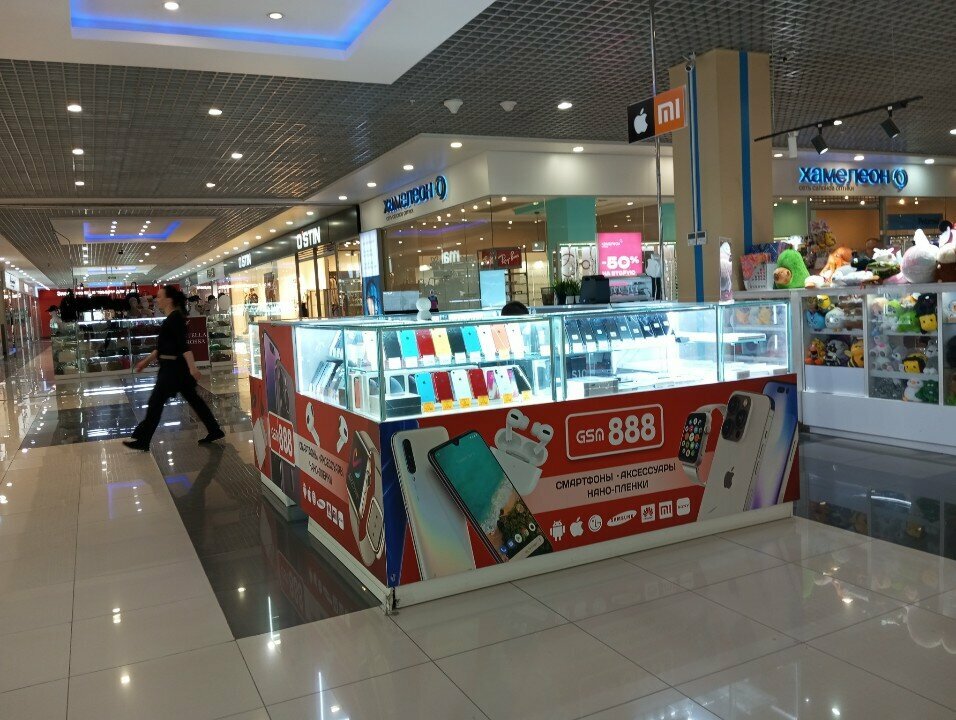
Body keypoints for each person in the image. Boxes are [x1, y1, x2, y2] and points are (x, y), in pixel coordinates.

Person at [124, 285, 224, 451]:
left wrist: (193, 368)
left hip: (173, 370)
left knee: (155, 403)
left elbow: (184, 346)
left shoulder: (175, 318)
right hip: (173, 369)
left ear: (169, 299)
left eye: (159, 296)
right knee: (194, 400)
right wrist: (145, 361)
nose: (157, 299)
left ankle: (143, 440)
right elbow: (161, 348)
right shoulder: (172, 318)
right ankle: (214, 429)